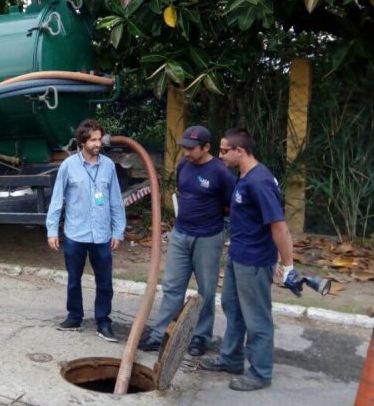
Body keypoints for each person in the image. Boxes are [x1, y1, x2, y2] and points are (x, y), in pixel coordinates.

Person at [199, 128, 295, 391]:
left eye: (224, 151)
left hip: (253, 261)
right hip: (238, 256)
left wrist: (288, 266)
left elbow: (279, 227)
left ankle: (261, 373)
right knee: (232, 306)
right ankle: (231, 358)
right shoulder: (245, 176)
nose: (220, 156)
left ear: (239, 151)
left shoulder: (259, 182)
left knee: (257, 318)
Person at [138, 125, 235, 356]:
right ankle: (160, 334)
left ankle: (200, 337)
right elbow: (184, 194)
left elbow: (231, 206)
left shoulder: (221, 172)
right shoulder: (184, 165)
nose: (186, 152)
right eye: (184, 147)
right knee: (172, 286)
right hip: (180, 235)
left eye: (191, 148)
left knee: (206, 290)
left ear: (206, 147)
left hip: (208, 238)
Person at [46, 119, 126, 343]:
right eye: (93, 140)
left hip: (101, 235)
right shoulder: (68, 166)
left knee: (105, 281)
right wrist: (52, 230)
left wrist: (118, 231)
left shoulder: (108, 165)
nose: (98, 143)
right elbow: (56, 200)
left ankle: (103, 321)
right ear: (82, 141)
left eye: (100, 139)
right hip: (75, 234)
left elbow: (115, 201)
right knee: (74, 279)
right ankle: (74, 317)